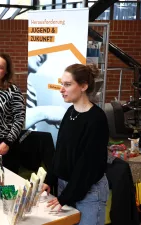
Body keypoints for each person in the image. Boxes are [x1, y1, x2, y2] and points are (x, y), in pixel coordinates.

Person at [41, 64, 109, 225]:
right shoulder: (70, 113)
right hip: (68, 188)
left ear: (84, 86)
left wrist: (66, 197)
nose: (61, 89)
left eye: (67, 84)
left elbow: (88, 166)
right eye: (62, 84)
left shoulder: (96, 119)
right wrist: (49, 179)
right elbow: (60, 152)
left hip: (89, 193)